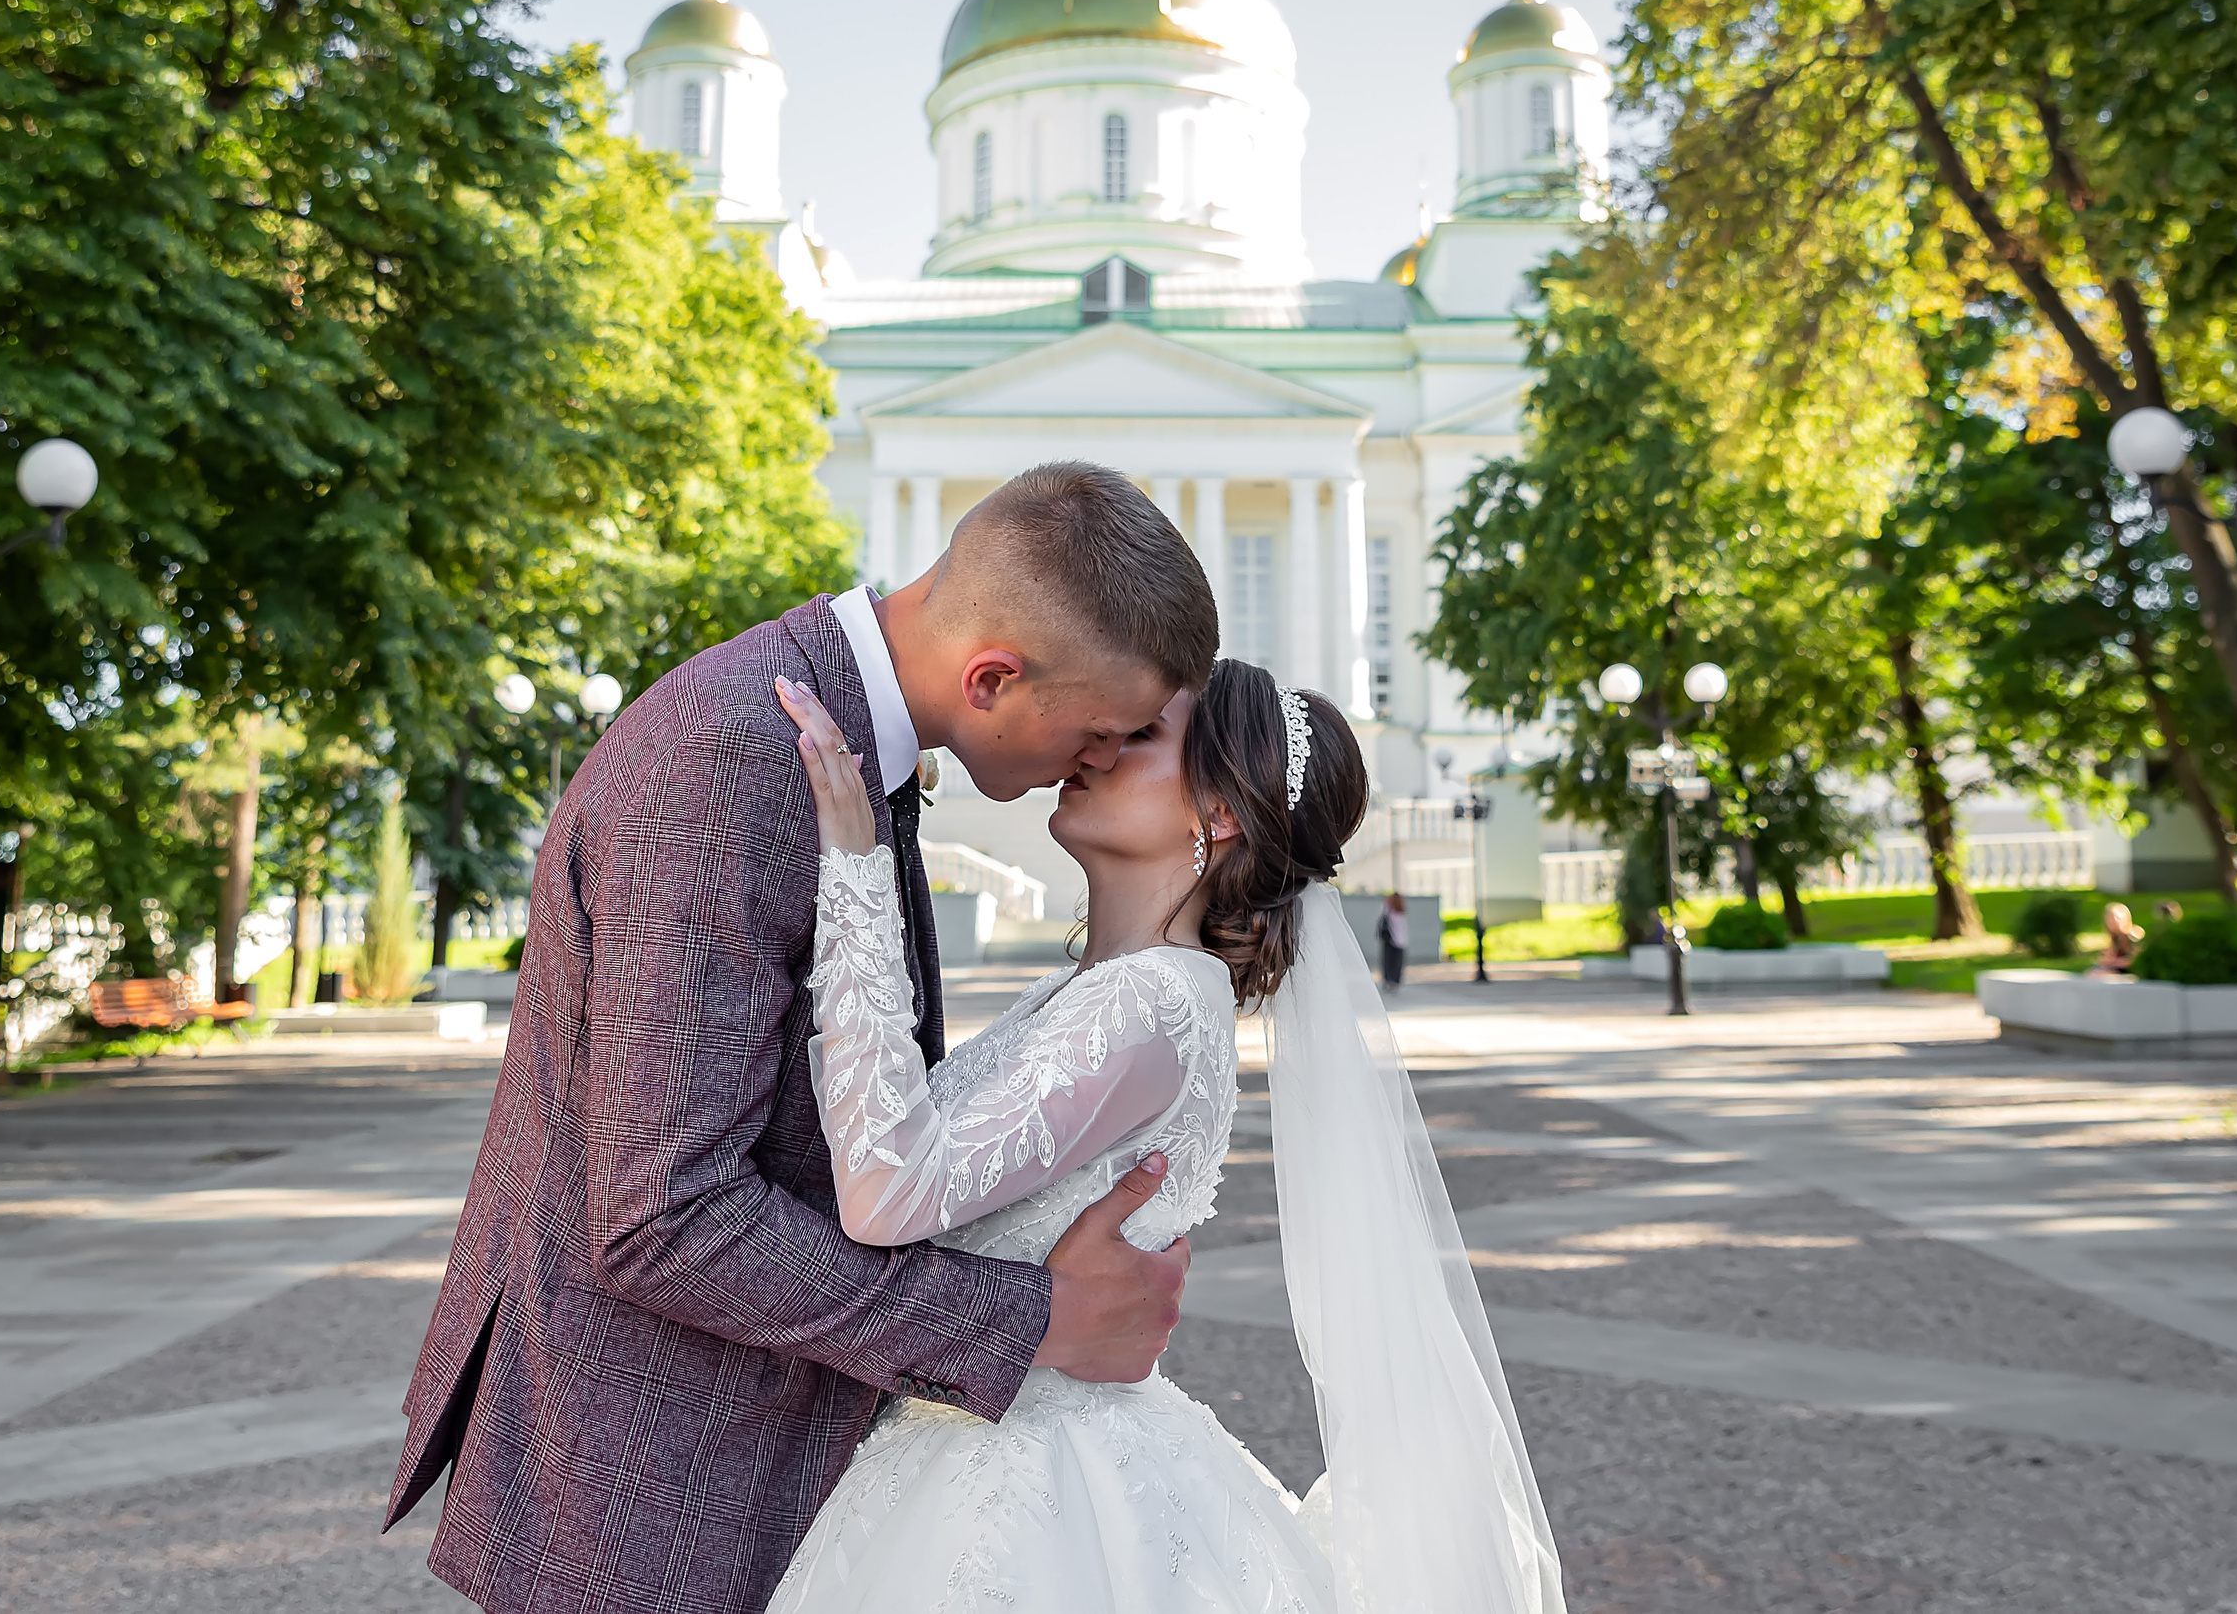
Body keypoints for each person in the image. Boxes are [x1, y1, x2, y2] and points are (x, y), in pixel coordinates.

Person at [384, 464, 1220, 1614]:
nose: (1099, 758)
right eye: (1101, 729)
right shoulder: (735, 756)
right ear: (993, 678)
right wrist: (1031, 1320)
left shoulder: (827, 739)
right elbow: (663, 1216)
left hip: (736, 1457)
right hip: (656, 1486)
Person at [764, 658, 1566, 1614]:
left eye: (1137, 735)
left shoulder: (1154, 1000)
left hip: (1026, 1491)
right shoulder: (1104, 990)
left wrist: (857, 872)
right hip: (984, 1440)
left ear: (1218, 812)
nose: (1093, 744)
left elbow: (889, 1189)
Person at [2097, 901, 2144, 975]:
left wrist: (2114, 962)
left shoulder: (2133, 936)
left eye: (2116, 918)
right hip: (2115, 969)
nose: (2112, 921)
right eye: (2109, 918)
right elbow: (2104, 958)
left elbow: (2137, 961)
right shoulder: (2113, 938)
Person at [1377, 888, 1410, 986]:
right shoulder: (1401, 913)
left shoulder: (1390, 912)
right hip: (1398, 940)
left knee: (1389, 961)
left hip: (1391, 940)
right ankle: (1394, 980)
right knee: (1396, 962)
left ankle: (1390, 979)